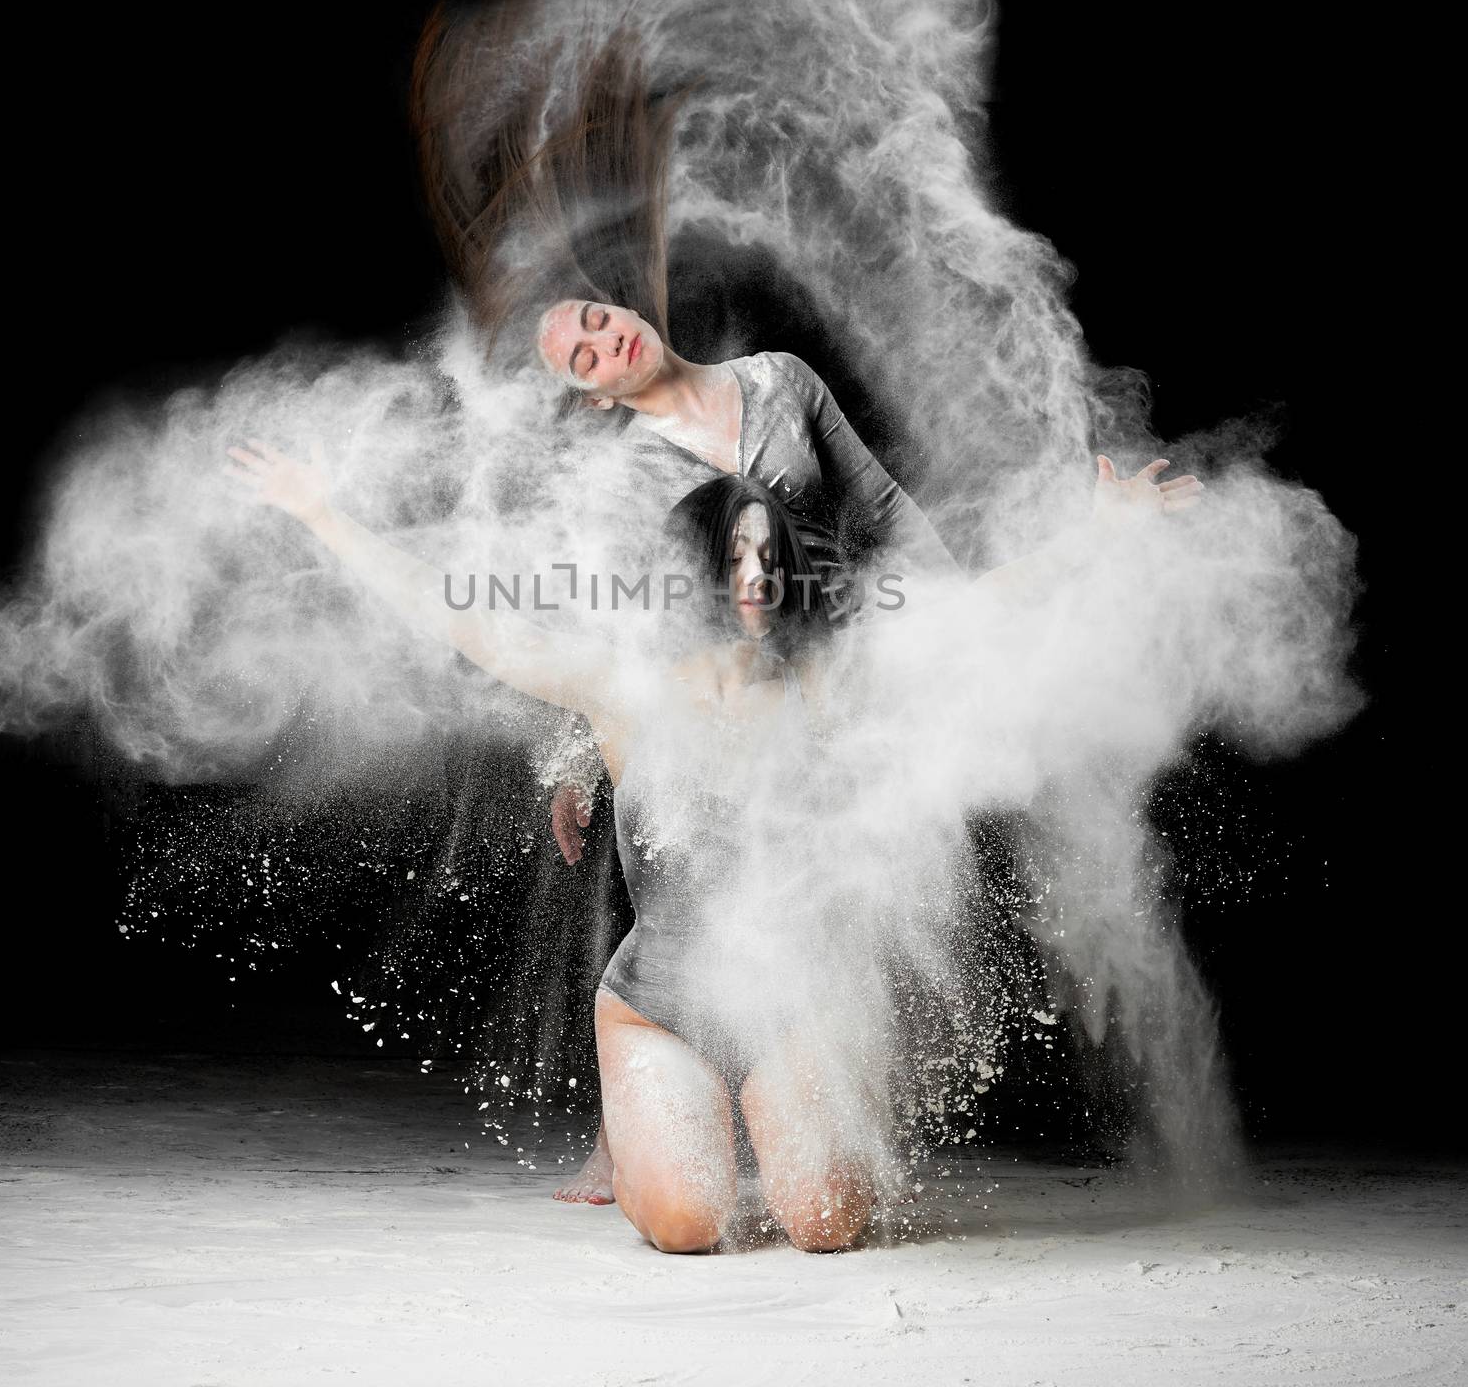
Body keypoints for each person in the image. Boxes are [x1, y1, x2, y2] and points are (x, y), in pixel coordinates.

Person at [409, 0, 1204, 1204]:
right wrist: (578, 756)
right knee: (674, 866)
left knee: (831, 860)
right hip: (691, 695)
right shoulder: (619, 478)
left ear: (625, 311)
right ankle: (641, 1113)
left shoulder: (775, 383)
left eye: (595, 322)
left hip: (821, 636)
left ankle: (806, 1084)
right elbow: (601, 631)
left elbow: (878, 513)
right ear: (581, 393)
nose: (598, 343)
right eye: (574, 358)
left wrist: (949, 612)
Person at [225, 442, 1199, 1253]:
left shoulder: (826, 687)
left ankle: (799, 1116)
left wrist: (1098, 534)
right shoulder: (622, 690)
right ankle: (659, 1125)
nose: (755, 575)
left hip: (794, 1000)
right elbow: (465, 619)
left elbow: (969, 620)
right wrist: (320, 513)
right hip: (660, 1004)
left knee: (822, 1224)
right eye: (733, 553)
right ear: (693, 566)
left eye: (770, 553)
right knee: (688, 1225)